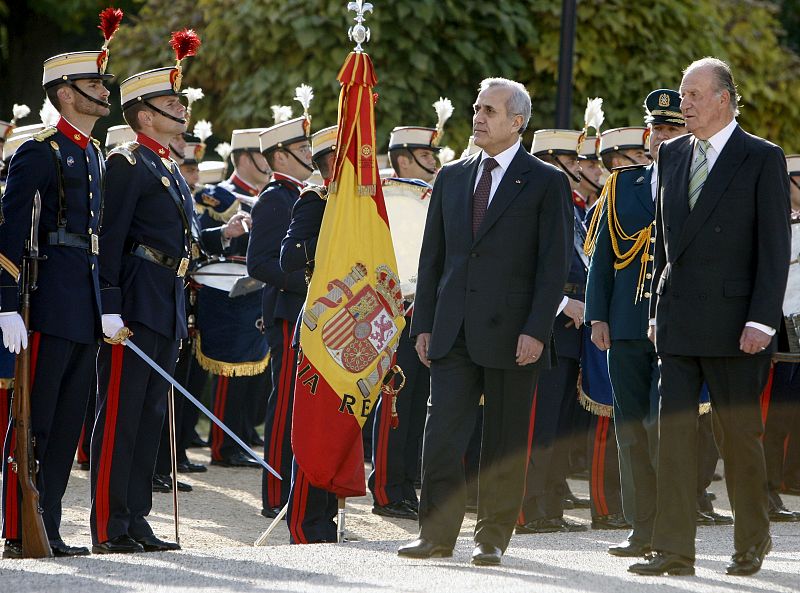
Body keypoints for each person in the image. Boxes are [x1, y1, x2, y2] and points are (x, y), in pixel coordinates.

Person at [398, 77, 571, 566]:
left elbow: (553, 266)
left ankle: (491, 536)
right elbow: (433, 257)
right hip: (452, 331)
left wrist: (536, 330)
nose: (478, 117)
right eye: (476, 108)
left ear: (517, 122)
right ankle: (435, 534)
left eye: (489, 111)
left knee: (503, 443)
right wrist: (423, 324)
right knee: (441, 437)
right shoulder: (452, 176)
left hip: (514, 335)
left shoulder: (545, 181)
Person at [630, 57, 791, 577]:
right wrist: (657, 311)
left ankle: (751, 539)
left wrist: (762, 321)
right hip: (678, 320)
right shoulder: (673, 153)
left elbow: (774, 246)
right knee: (672, 440)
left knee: (737, 439)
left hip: (736, 326)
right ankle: (673, 549)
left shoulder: (760, 157)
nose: (685, 104)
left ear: (724, 98)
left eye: (694, 95)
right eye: (683, 94)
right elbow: (663, 241)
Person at [0, 32, 117, 557]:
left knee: (69, 423)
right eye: (95, 83)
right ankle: (19, 527)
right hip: (47, 303)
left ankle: (47, 524)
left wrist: (105, 305)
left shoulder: (93, 154)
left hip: (83, 305)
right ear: (66, 93)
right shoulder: (39, 151)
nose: (105, 92)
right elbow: (9, 230)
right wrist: (6, 303)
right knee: (36, 420)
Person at [90, 31, 201, 554]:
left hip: (166, 300)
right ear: (145, 115)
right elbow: (110, 241)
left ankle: (136, 518)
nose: (182, 109)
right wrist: (109, 305)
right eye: (171, 103)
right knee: (121, 415)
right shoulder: (127, 163)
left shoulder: (168, 167)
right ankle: (110, 524)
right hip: (135, 302)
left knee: (150, 415)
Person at [585, 89, 688, 557]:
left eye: (672, 129)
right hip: (625, 323)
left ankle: (668, 525)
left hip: (675, 326)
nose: (662, 137)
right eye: (657, 129)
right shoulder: (622, 184)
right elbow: (603, 257)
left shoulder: (697, 182)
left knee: (660, 429)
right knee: (629, 430)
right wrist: (597, 316)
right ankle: (640, 526)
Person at [371, 102, 453, 521]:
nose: (433, 162)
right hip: (392, 310)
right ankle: (387, 487)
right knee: (396, 401)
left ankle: (405, 483)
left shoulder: (433, 196)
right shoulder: (388, 198)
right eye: (424, 155)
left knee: (418, 400)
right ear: (402, 159)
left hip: (425, 310)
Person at [515, 128, 589, 535]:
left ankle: (551, 507)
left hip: (573, 326)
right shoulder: (533, 201)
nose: (578, 167)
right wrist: (562, 303)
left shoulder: (572, 207)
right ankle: (529, 509)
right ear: (550, 161)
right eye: (571, 160)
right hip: (550, 321)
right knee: (538, 424)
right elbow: (527, 266)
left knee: (560, 426)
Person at [246, 116, 313, 518]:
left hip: (302, 312)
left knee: (299, 404)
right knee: (285, 402)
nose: (310, 154)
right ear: (281, 156)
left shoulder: (299, 195)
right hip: (287, 312)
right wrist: (308, 284)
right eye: (303, 149)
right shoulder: (275, 198)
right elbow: (259, 263)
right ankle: (275, 492)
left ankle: (294, 488)